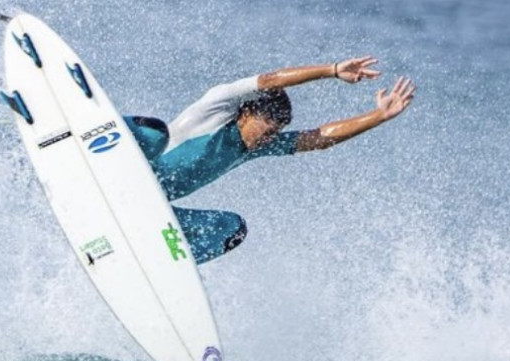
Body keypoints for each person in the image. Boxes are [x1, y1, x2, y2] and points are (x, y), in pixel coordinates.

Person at [124, 56, 415, 264]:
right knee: (155, 131)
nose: (266, 140)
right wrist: (333, 70)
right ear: (247, 113)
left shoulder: (255, 147)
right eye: (265, 131)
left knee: (231, 229)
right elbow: (270, 80)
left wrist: (379, 116)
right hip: (127, 170)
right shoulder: (217, 105)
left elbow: (320, 138)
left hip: (154, 206)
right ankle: (87, 141)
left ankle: (162, 267)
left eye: (273, 135)